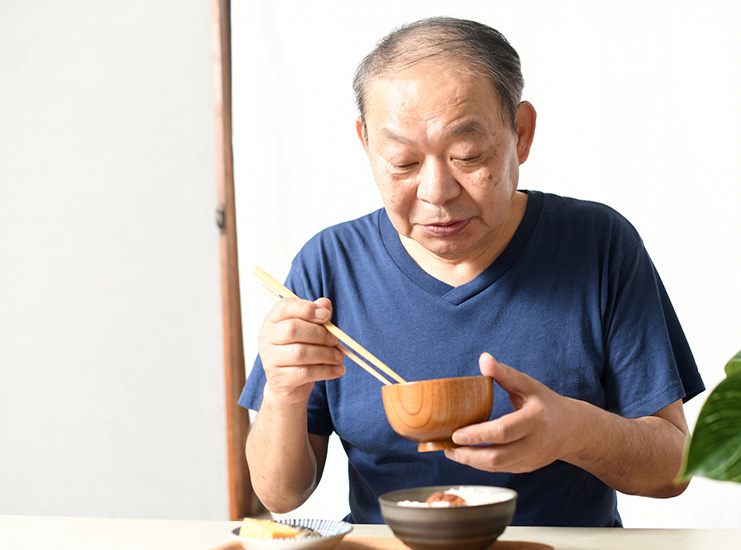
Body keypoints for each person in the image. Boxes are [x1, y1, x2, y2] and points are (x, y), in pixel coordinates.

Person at [239, 16, 704, 527]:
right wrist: (284, 393)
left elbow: (673, 469)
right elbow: (280, 497)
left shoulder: (598, 246)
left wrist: (573, 431)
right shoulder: (330, 265)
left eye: (468, 155)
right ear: (366, 145)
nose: (436, 192)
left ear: (521, 134)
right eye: (402, 162)